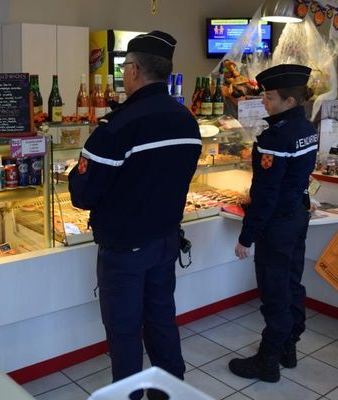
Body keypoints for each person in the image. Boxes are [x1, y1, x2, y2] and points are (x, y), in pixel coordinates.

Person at [68, 31, 201, 399]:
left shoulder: (118, 126)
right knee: (161, 322)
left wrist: (73, 174)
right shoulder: (186, 120)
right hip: (164, 241)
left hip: (125, 250)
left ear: (134, 70)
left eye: (124, 66)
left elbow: (83, 193)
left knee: (125, 333)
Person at [229, 64, 317, 383]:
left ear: (289, 102)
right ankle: (288, 348)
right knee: (292, 284)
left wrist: (247, 237)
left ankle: (267, 361)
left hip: (277, 224)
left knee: (275, 292)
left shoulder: (275, 138)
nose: (264, 101)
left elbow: (266, 194)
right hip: (297, 216)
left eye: (269, 97)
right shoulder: (306, 128)